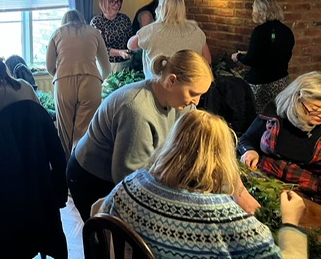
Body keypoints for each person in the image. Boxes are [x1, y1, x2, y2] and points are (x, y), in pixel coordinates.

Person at [100, 110, 307, 259]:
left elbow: (99, 217)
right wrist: (291, 222)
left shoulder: (130, 184)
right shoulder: (234, 223)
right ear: (223, 158)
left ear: (172, 144)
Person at [67, 50, 213, 221]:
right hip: (92, 178)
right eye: (193, 93)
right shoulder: (136, 110)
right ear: (171, 81)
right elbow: (128, 177)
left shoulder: (181, 103)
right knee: (107, 236)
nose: (196, 101)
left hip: (123, 176)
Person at [238, 71, 321, 206]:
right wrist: (249, 150)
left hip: (305, 198)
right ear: (296, 100)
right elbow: (246, 139)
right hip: (263, 183)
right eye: (315, 109)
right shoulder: (274, 115)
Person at [46, 10, 112, 157]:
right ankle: (81, 165)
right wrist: (98, 79)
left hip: (63, 81)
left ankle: (65, 166)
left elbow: (49, 66)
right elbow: (106, 68)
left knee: (65, 131)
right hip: (91, 81)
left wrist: (60, 75)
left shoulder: (57, 33)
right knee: (84, 131)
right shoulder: (94, 32)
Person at [231, 0, 295, 113]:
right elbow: (276, 53)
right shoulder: (286, 30)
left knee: (260, 116)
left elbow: (251, 59)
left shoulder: (259, 31)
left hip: (262, 84)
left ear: (260, 11)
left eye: (254, 9)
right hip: (282, 81)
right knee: (277, 114)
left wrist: (238, 56)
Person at [127, 0, 211, 79]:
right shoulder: (196, 30)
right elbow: (207, 60)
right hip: (189, 82)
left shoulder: (151, 30)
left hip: (158, 84)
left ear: (161, 9)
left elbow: (130, 45)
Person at [90, 0, 133, 72]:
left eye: (118, 1)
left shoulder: (124, 19)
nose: (116, 5)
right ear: (104, 3)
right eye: (112, 2)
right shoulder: (96, 22)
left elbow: (130, 40)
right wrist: (119, 52)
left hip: (125, 63)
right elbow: (98, 48)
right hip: (105, 64)